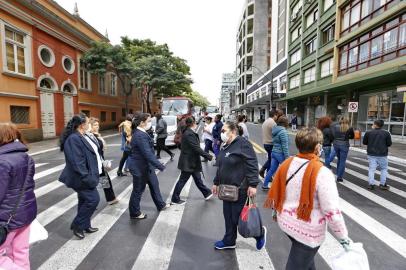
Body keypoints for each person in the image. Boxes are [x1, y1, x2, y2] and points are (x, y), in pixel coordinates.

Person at [264, 127, 350, 270]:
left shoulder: (288, 162)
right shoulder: (322, 173)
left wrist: (275, 211)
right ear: (318, 147)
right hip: (307, 231)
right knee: (298, 263)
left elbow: (279, 190)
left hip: (286, 222)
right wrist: (343, 238)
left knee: (306, 263)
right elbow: (331, 211)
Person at [212, 121, 266, 250]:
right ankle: (229, 240)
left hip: (240, 188)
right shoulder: (225, 145)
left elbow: (252, 164)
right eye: (221, 131)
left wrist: (253, 184)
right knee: (228, 216)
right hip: (226, 188)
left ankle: (259, 234)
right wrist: (216, 182)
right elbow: (221, 166)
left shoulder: (243, 144)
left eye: (224, 131)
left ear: (233, 131)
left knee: (238, 218)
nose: (222, 133)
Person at [0, 123, 37, 269]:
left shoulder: (2, 161)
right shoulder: (26, 157)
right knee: (20, 252)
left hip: (6, 218)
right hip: (26, 214)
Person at [59, 114, 100, 239]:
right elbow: (77, 162)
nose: (89, 125)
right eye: (87, 122)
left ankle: (85, 225)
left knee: (84, 201)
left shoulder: (82, 136)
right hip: (80, 178)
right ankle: (77, 225)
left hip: (86, 176)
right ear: (82, 125)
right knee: (93, 200)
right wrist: (87, 177)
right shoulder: (74, 138)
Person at [127, 113, 170, 219]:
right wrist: (160, 166)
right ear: (142, 123)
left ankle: (161, 204)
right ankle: (134, 213)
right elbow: (147, 153)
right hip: (139, 168)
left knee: (154, 185)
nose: (150, 123)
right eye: (149, 121)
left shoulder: (141, 132)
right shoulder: (139, 135)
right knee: (138, 190)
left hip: (146, 166)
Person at [171, 117, 213, 205]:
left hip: (191, 161)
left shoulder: (187, 132)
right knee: (182, 180)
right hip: (188, 162)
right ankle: (175, 199)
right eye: (196, 123)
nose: (197, 124)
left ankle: (207, 193)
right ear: (193, 123)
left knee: (198, 179)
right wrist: (208, 156)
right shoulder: (188, 133)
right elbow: (196, 147)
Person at [88, 117, 119, 205]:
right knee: (99, 181)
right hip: (94, 162)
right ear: (90, 125)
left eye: (98, 125)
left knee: (104, 180)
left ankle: (110, 198)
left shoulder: (96, 135)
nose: (97, 126)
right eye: (94, 125)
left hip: (100, 161)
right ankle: (108, 199)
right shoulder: (90, 136)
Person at [363, 119, 392, 190]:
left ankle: (371, 184)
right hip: (383, 154)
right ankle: (382, 184)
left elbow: (364, 142)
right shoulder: (386, 133)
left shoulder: (368, 132)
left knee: (372, 169)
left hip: (371, 154)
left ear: (375, 125)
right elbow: (389, 144)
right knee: (384, 169)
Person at [262, 116, 290, 190]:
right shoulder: (283, 132)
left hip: (274, 152)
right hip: (280, 153)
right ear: (285, 123)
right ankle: (284, 186)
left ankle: (265, 185)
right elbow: (285, 146)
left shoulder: (275, 130)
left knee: (271, 170)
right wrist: (287, 157)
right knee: (287, 170)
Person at [332, 117, 354, 182]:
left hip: (336, 144)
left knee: (339, 159)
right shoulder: (350, 128)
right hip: (344, 144)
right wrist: (347, 136)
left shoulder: (335, 126)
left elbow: (333, 135)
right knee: (342, 160)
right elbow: (352, 136)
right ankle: (339, 177)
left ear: (340, 120)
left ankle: (338, 173)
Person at [259, 110, 279, 178]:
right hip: (271, 144)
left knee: (270, 159)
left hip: (265, 143)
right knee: (272, 160)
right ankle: (265, 172)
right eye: (277, 115)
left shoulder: (265, 122)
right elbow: (276, 135)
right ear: (274, 115)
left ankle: (266, 173)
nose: (277, 117)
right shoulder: (273, 123)